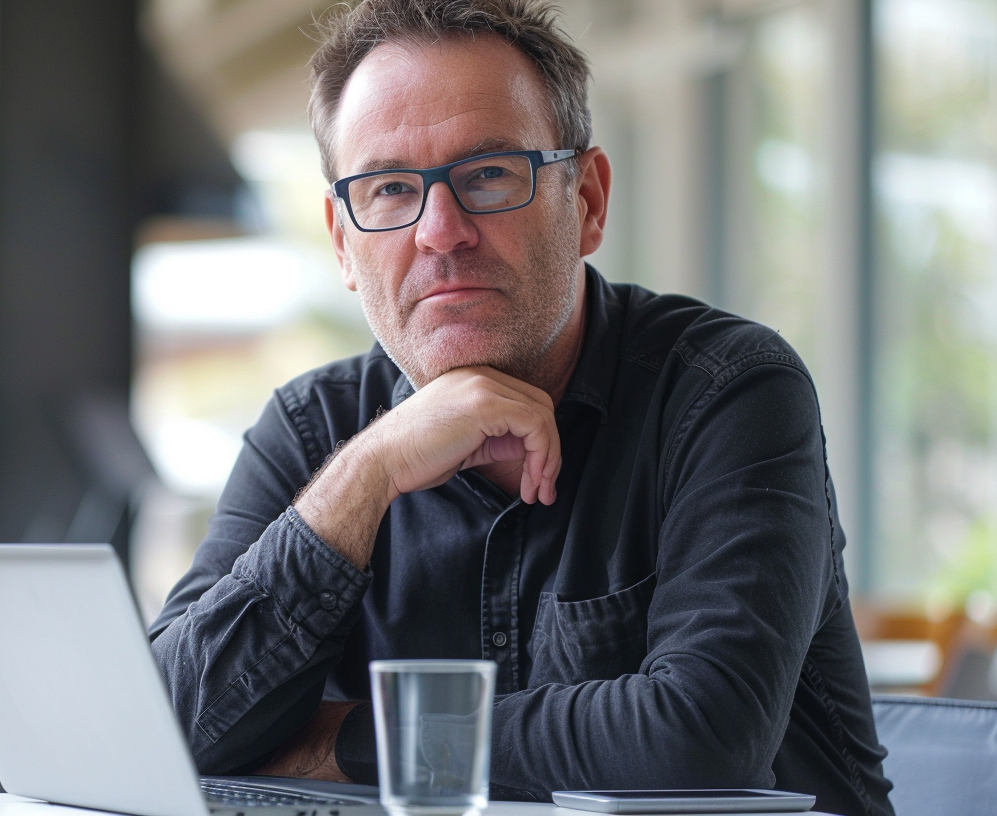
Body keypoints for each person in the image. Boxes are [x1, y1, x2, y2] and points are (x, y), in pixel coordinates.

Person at [147, 2, 895, 815]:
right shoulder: (314, 431)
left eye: (490, 175)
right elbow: (155, 725)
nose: (441, 231)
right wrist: (367, 473)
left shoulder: (727, 392)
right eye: (391, 188)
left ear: (589, 202)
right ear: (341, 243)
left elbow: (701, 739)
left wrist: (350, 740)